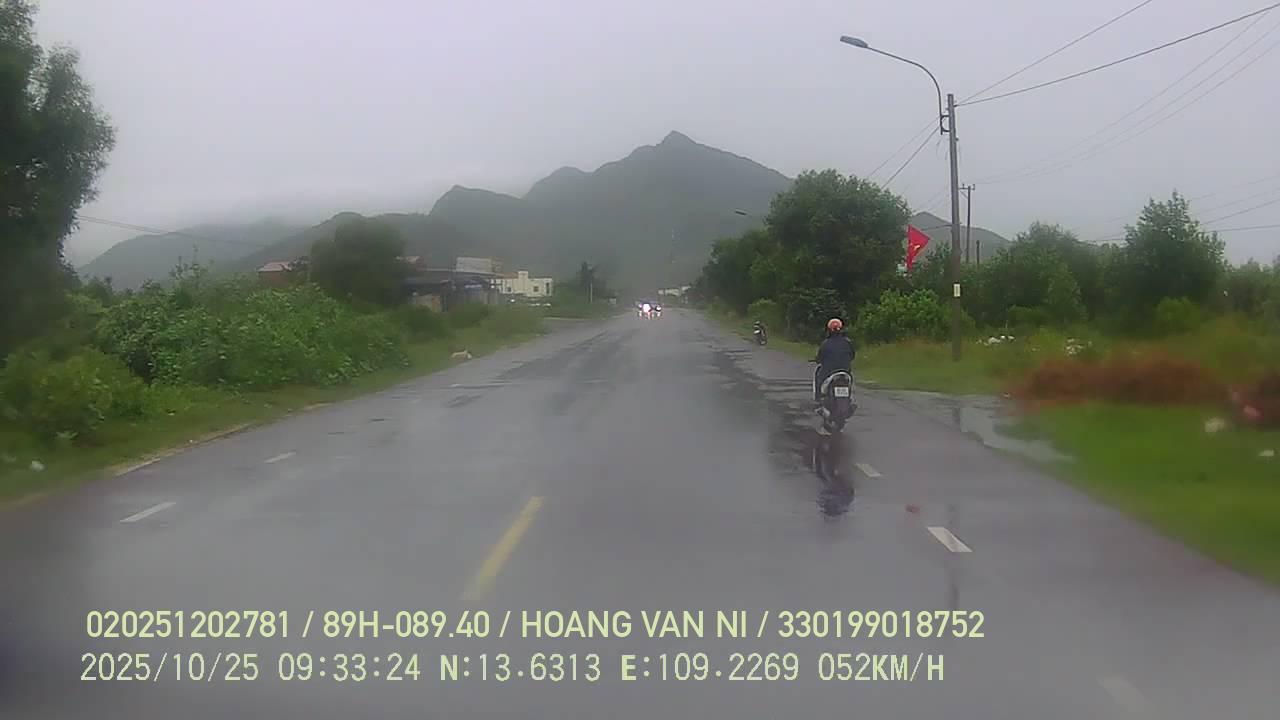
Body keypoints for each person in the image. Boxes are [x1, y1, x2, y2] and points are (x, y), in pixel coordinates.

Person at [813, 317, 855, 405]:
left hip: (829, 372)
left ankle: (818, 398)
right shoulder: (847, 342)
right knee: (849, 379)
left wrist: (817, 360)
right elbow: (852, 355)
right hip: (845, 371)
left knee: (818, 376)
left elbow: (820, 357)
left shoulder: (825, 343)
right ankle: (849, 397)